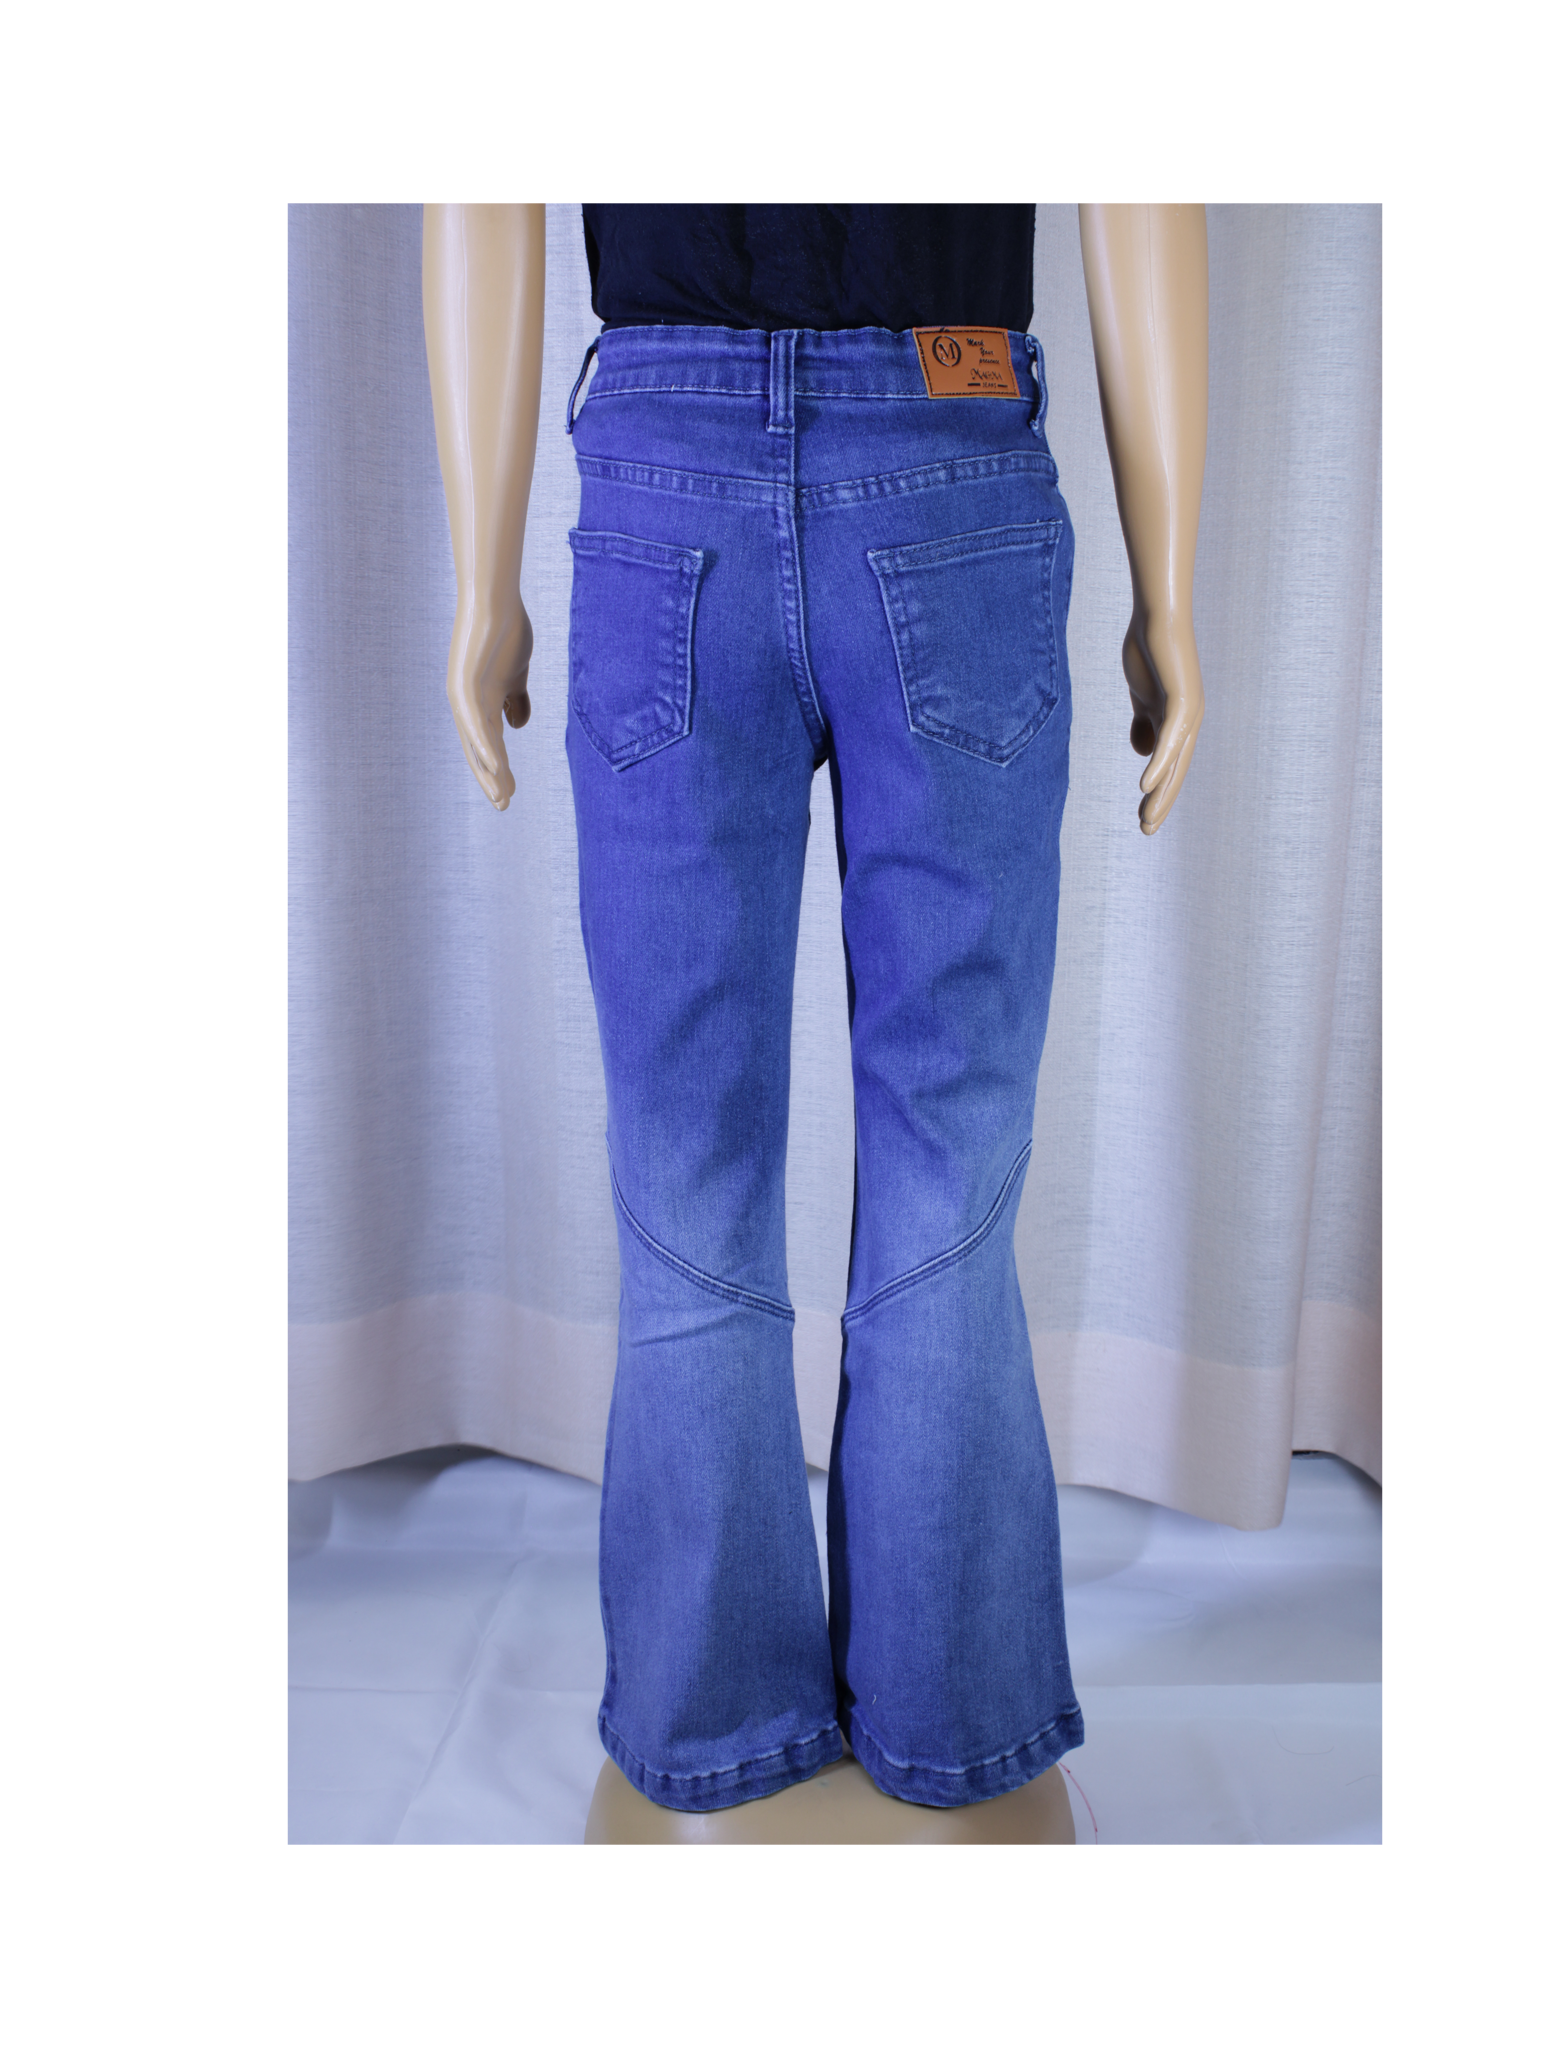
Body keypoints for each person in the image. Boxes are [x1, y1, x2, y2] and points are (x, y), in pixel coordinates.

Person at [422, 203, 1207, 1845]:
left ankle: (708, 1745)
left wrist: (482, 581)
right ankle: (956, 1748)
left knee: (685, 1167)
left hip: (665, 477)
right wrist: (1171, 589)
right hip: (950, 451)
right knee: (949, 1160)